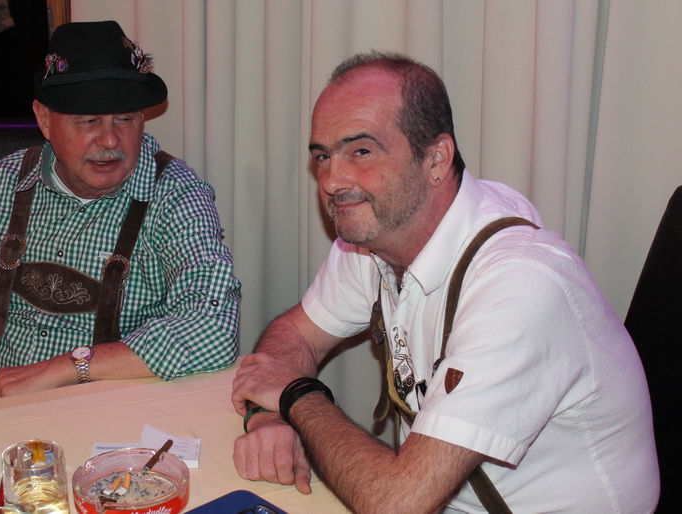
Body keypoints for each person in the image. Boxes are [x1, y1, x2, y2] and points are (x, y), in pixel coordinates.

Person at [231, 51, 659, 513]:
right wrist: (269, 419)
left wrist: (297, 396)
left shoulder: (520, 284)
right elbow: (295, 334)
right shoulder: (378, 236)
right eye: (323, 156)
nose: (332, 180)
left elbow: (397, 505)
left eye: (361, 151)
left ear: (436, 159)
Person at [0, 21, 240, 402]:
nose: (110, 139)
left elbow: (214, 328)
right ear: (44, 119)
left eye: (125, 118)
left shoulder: (174, 194)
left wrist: (68, 367)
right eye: (89, 120)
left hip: (110, 415)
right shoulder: (0, 186)